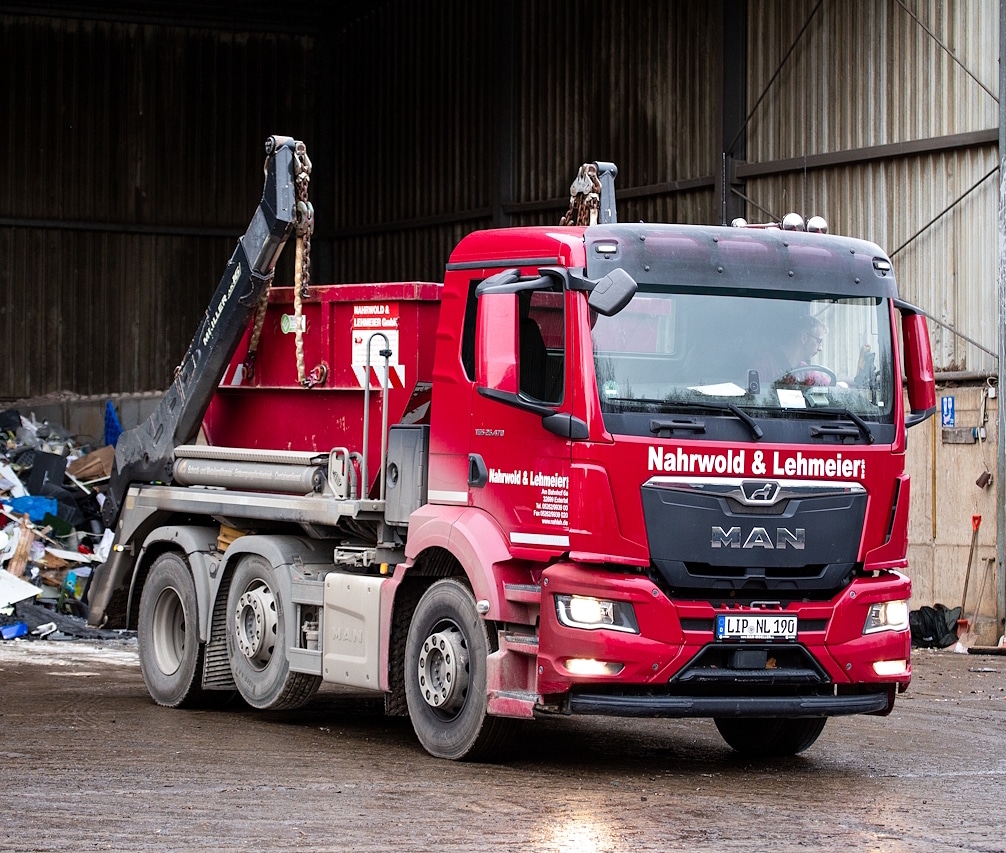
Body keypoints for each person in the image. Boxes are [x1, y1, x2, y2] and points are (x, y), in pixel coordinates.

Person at [755, 314, 831, 387]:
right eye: (818, 341)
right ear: (804, 338)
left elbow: (829, 386)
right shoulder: (765, 364)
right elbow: (752, 392)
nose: (820, 348)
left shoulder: (805, 371)